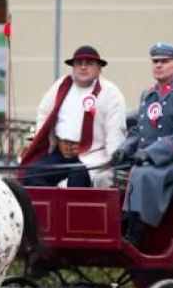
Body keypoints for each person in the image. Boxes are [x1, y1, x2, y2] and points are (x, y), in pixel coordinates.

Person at [111, 42, 173, 248]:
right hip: (146, 161)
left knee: (143, 174)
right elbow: (138, 130)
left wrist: (150, 153)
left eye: (164, 61)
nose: (158, 65)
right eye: (155, 61)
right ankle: (116, 229)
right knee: (106, 176)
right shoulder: (148, 94)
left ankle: (137, 234)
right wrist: (124, 150)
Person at [20, 45, 127, 188]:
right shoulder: (61, 85)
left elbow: (114, 131)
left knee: (77, 178)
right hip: (61, 153)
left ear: (99, 68)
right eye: (78, 63)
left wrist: (113, 163)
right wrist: (45, 141)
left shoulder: (111, 94)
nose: (83, 67)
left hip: (92, 155)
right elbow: (44, 113)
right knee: (32, 174)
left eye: (89, 63)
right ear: (73, 67)